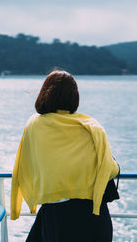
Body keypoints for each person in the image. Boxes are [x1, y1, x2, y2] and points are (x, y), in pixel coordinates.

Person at [10, 70, 119, 242]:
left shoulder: (34, 125)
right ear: (74, 97)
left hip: (56, 215)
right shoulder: (90, 126)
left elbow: (27, 163)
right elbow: (109, 170)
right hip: (94, 216)